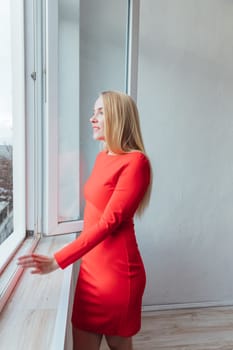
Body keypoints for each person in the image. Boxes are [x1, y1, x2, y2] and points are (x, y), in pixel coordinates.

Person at [18, 91, 152, 350]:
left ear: (119, 117)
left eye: (100, 112)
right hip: (90, 272)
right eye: (94, 112)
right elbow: (92, 211)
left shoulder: (136, 162)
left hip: (117, 277)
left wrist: (57, 260)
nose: (92, 118)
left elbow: (107, 223)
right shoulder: (103, 157)